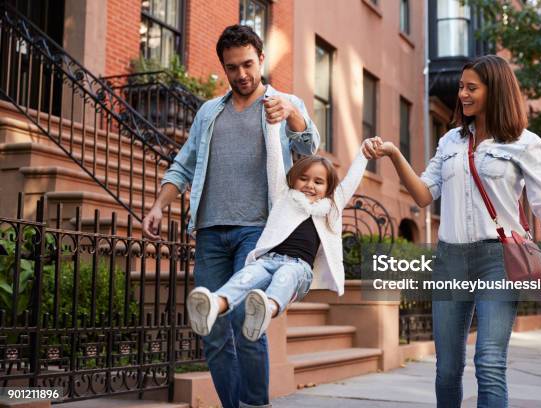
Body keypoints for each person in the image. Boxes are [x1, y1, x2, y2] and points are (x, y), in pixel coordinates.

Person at [372, 55, 541, 407]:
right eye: (461, 87)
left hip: (498, 260)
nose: (461, 94)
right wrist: (393, 153)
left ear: (494, 91)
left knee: (490, 362)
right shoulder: (450, 141)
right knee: (447, 368)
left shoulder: (526, 143)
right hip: (450, 259)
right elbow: (422, 195)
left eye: (471, 88)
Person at [142, 25, 320, 408]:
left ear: (261, 59)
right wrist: (159, 204)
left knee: (245, 324)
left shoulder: (283, 103)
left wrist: (292, 116)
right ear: (223, 67)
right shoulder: (210, 112)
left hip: (257, 233)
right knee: (213, 331)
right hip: (209, 233)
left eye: (248, 65)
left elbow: (309, 154)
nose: (241, 74)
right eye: (232, 67)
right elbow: (183, 164)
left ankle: (255, 404)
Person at [186, 123, 378, 341]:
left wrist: (364, 152)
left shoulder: (331, 208)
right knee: (246, 276)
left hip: (299, 268)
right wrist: (271, 125)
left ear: (329, 188)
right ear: (294, 178)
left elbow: (351, 180)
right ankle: (214, 304)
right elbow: (275, 159)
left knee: (286, 275)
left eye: (318, 182)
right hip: (267, 260)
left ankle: (267, 308)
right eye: (304, 178)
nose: (310, 185)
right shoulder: (283, 197)